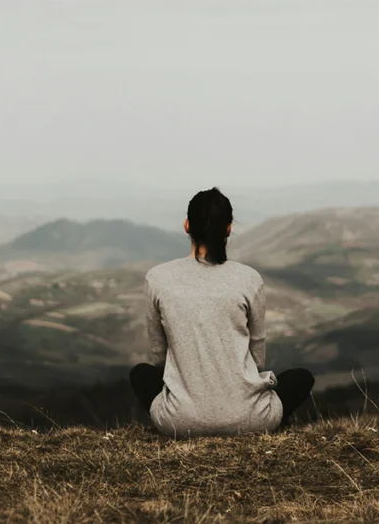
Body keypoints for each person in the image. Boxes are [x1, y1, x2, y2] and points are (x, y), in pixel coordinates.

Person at [129, 187, 315, 437]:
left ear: (186, 225)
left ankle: (187, 414)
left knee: (141, 374)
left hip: (179, 422)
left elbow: (159, 357)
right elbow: (258, 359)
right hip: (251, 420)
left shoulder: (157, 278)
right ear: (229, 228)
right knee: (301, 378)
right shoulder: (249, 278)